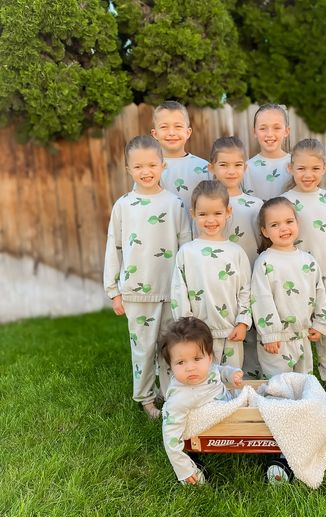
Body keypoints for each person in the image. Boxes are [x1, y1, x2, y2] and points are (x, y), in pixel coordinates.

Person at [103, 135, 191, 419]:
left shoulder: (175, 204)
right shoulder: (124, 206)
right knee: (143, 348)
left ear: (162, 165)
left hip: (170, 290)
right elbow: (113, 248)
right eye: (138, 166)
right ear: (128, 169)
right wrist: (113, 291)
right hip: (136, 292)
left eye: (152, 165)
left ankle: (171, 393)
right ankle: (146, 398)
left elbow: (186, 248)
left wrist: (188, 288)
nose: (146, 171)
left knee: (170, 345)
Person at [282, 138, 326, 406]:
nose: (307, 175)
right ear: (291, 169)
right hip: (296, 278)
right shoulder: (285, 201)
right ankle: (297, 380)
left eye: (314, 168)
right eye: (301, 169)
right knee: (297, 328)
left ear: (324, 168)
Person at [171, 180, 252, 369]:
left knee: (232, 377)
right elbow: (179, 292)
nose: (210, 220)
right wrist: (187, 326)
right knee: (202, 376)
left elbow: (246, 290)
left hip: (231, 330)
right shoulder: (187, 252)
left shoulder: (236, 252)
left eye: (217, 213)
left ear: (228, 212)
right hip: (198, 332)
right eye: (203, 214)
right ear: (193, 214)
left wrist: (242, 322)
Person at [251, 197, 326, 379]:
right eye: (275, 225)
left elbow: (320, 293)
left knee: (304, 382)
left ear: (297, 223)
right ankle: (278, 408)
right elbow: (261, 299)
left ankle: (302, 408)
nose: (284, 228)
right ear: (265, 231)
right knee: (279, 384)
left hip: (302, 335)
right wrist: (270, 334)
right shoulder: (265, 262)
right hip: (277, 340)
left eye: (289, 221)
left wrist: (320, 323)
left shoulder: (308, 261)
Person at [161, 317, 243, 485]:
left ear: (209, 357)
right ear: (171, 365)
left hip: (231, 406)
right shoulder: (179, 400)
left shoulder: (208, 370)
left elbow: (217, 371)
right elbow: (171, 437)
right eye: (181, 362)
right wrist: (183, 469)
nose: (190, 367)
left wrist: (230, 374)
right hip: (218, 423)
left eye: (197, 359)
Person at [208, 136, 263, 267]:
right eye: (223, 165)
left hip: (250, 274)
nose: (231, 171)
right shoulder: (206, 204)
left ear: (245, 168)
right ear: (211, 168)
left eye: (237, 165)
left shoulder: (256, 206)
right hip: (215, 274)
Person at [150, 100, 209, 215]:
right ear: (155, 134)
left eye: (178, 126)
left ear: (188, 132)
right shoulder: (149, 169)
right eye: (164, 127)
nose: (171, 132)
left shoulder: (204, 168)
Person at [243, 103, 291, 201]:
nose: (269, 134)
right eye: (263, 128)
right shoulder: (246, 169)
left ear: (286, 131)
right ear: (254, 132)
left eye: (277, 128)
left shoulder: (296, 165)